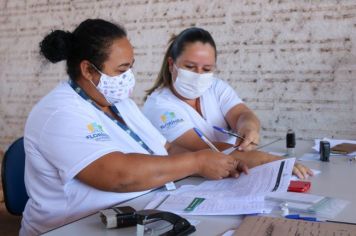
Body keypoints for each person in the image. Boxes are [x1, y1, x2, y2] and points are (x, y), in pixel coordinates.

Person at [20, 19, 248, 236]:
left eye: (130, 68)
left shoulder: (121, 104)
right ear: (88, 70)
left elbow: (166, 148)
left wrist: (218, 159)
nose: (129, 77)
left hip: (143, 214)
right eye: (121, 70)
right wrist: (196, 162)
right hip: (73, 227)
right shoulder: (59, 112)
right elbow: (118, 175)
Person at [143, 27, 313, 177]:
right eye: (190, 67)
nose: (199, 74)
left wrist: (248, 128)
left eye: (207, 69)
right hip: (195, 183)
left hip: (239, 172)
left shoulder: (215, 87)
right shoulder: (159, 106)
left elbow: (242, 114)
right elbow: (208, 149)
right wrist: (271, 161)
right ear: (172, 64)